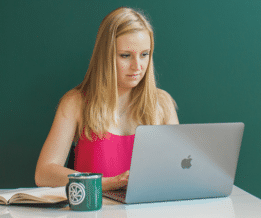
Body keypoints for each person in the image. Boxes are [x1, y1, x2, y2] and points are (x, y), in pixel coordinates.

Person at [34, 7, 179, 191]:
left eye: (144, 55)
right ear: (105, 56)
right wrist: (104, 183)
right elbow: (44, 173)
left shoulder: (163, 103)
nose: (137, 66)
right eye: (125, 56)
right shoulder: (75, 103)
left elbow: (180, 171)